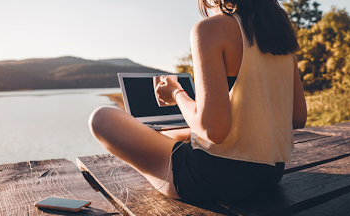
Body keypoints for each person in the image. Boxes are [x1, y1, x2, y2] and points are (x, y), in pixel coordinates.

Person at [89, 0, 307, 204]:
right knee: (171, 135)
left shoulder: (211, 29)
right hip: (269, 175)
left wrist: (176, 93)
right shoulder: (279, 37)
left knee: (102, 118)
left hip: (213, 179)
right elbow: (298, 117)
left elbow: (213, 130)